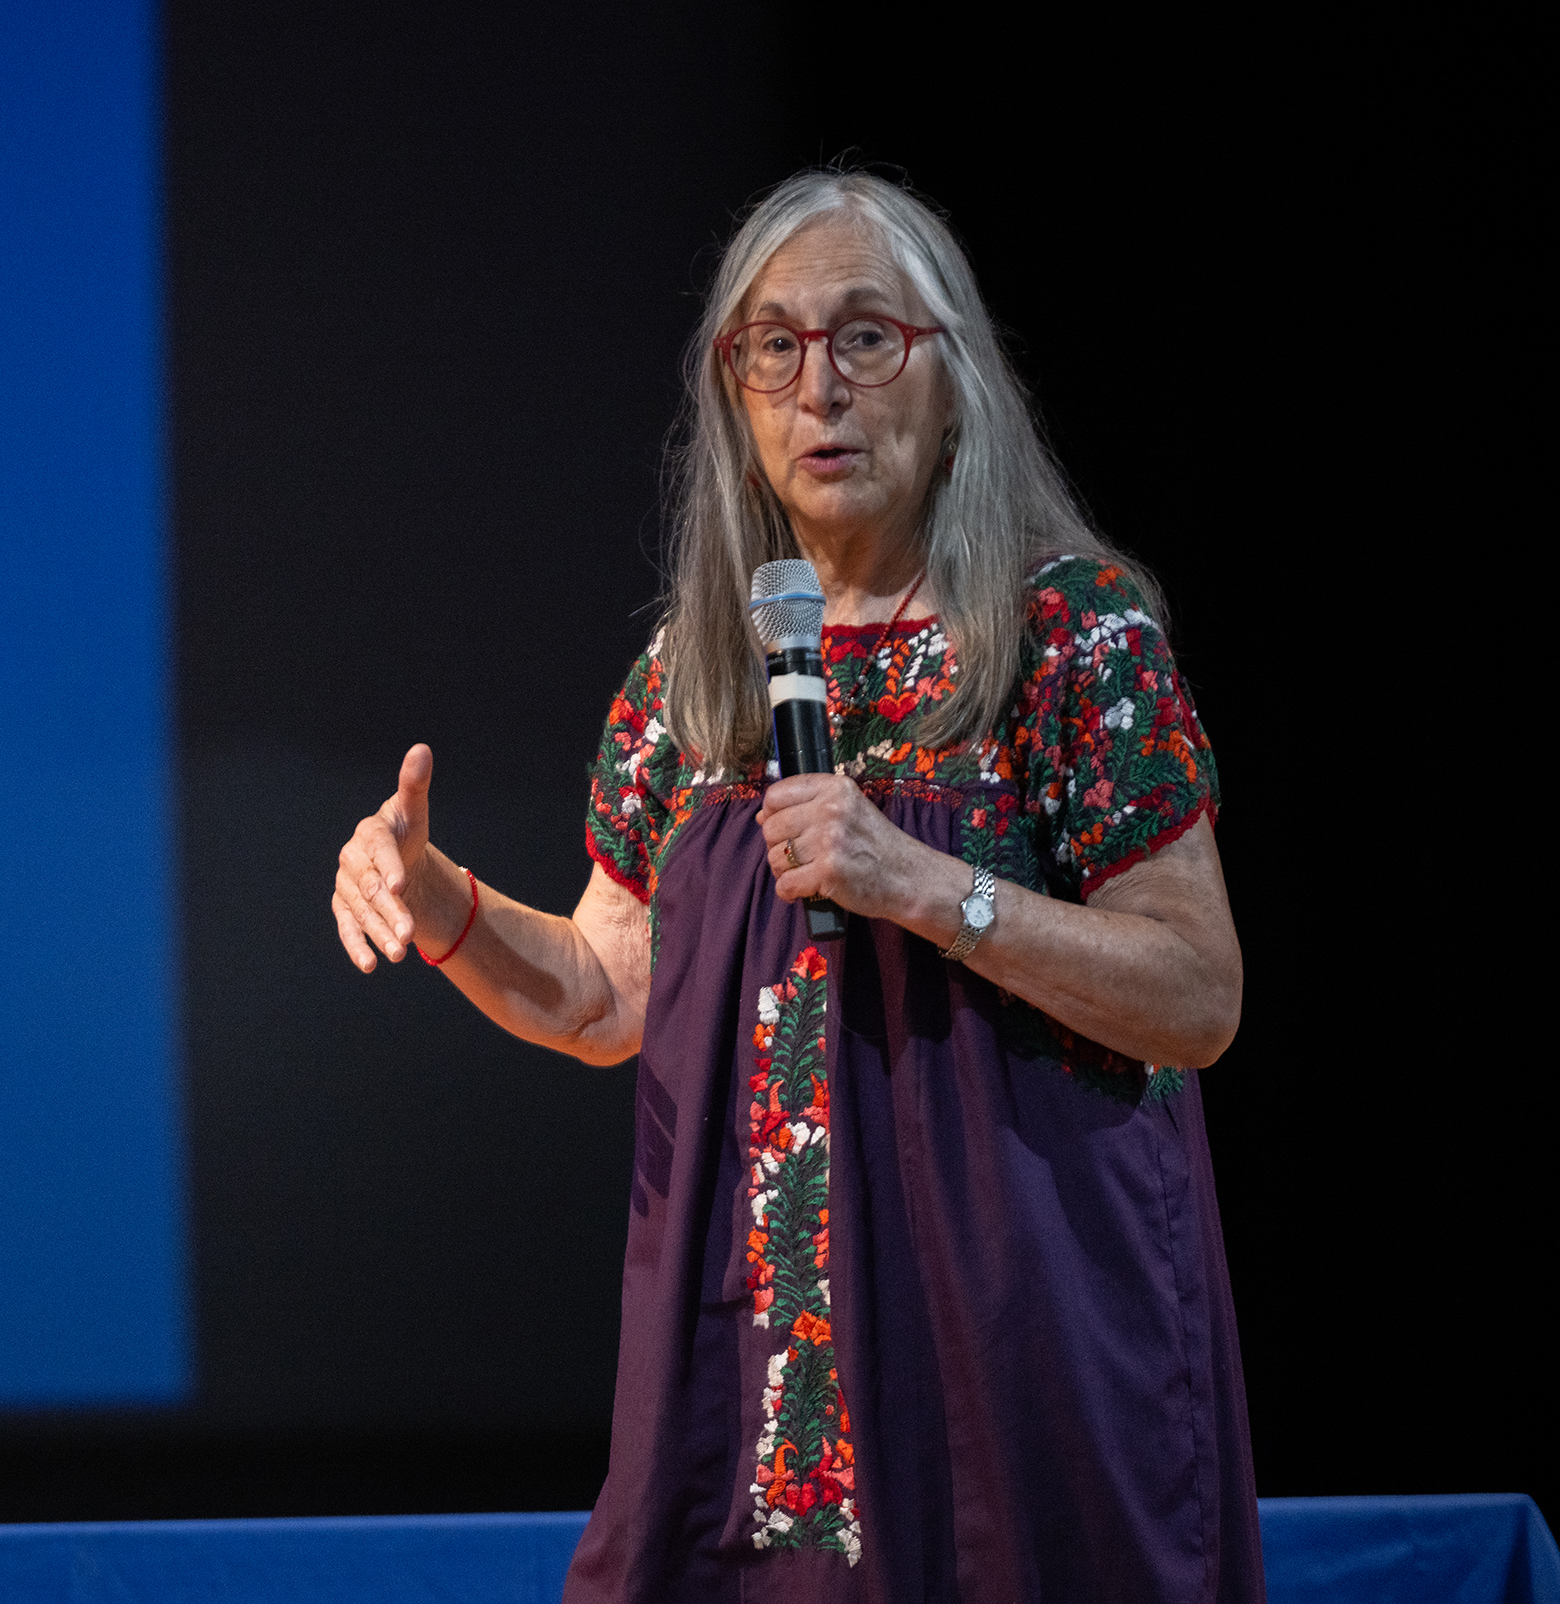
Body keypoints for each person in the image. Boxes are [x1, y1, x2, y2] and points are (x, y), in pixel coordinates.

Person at [329, 169, 1260, 1604]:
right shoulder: (692, 681)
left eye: (866, 338)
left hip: (1026, 1351)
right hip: (767, 1372)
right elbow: (601, 996)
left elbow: (1197, 995)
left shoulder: (1067, 636)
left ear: (955, 377)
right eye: (776, 347)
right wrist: (439, 898)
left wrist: (924, 884)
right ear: (736, 395)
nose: (819, 388)